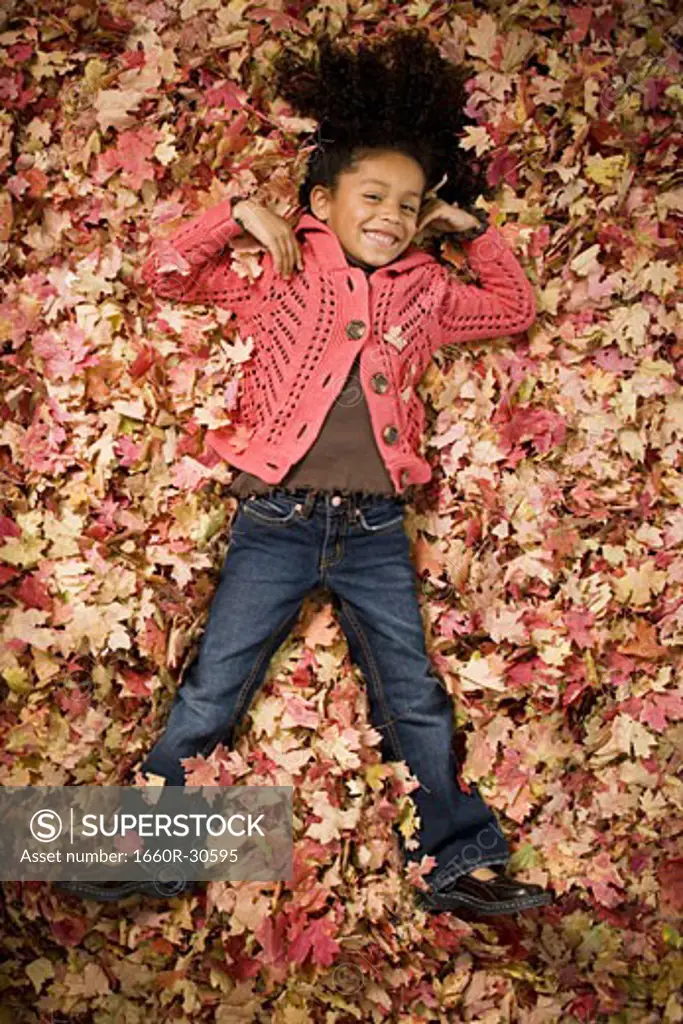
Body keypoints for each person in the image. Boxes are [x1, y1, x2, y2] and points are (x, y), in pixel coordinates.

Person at [57, 27, 553, 917]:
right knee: (214, 686)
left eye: (410, 204)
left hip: (371, 528)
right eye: (374, 195)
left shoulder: (427, 291)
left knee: (413, 695)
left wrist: (468, 233)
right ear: (322, 199)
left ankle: (454, 862)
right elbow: (163, 274)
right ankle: (153, 852)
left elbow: (513, 308)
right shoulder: (282, 270)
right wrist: (237, 213)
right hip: (274, 522)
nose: (393, 216)